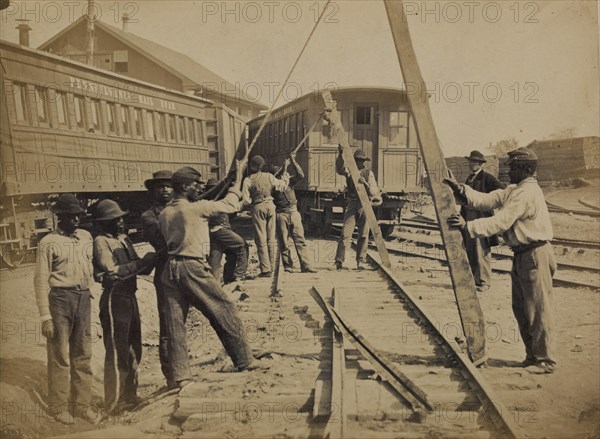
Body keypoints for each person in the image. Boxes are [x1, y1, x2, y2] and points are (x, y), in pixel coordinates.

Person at [445, 147, 557, 374]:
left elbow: (501, 221)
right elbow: (487, 200)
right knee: (522, 308)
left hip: (535, 254)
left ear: (526, 169)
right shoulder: (515, 189)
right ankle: (532, 356)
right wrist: (461, 189)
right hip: (523, 254)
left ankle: (545, 360)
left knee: (537, 308)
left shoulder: (527, 194)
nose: (508, 172)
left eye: (513, 168)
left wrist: (469, 226)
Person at [158, 165, 266, 390]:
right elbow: (231, 205)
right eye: (195, 184)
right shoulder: (196, 209)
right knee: (224, 308)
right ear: (185, 187)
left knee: (174, 325)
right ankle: (244, 359)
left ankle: (180, 377)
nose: (199, 187)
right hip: (192, 266)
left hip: (170, 269)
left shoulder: (164, 213)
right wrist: (236, 185)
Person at [33, 194, 96, 424]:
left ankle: (82, 406)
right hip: (60, 300)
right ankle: (58, 407)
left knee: (83, 354)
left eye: (78, 215)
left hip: (83, 299)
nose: (76, 220)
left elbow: (90, 274)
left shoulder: (86, 237)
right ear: (60, 218)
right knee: (59, 355)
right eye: (71, 216)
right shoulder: (48, 243)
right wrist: (45, 317)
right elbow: (40, 281)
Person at [93, 199, 156, 412]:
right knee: (117, 350)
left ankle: (130, 395)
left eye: (121, 218)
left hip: (130, 297)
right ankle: (114, 402)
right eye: (115, 219)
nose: (121, 222)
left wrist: (153, 259)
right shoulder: (101, 242)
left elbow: (141, 269)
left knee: (134, 349)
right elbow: (111, 271)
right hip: (115, 299)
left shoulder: (125, 239)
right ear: (104, 223)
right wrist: (142, 262)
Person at [140, 170, 175, 389]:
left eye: (168, 185)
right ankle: (171, 374)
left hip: (187, 268)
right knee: (167, 320)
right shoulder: (149, 217)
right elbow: (163, 241)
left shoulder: (182, 208)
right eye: (159, 186)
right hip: (165, 270)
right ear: (153, 191)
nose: (164, 190)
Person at [461, 150, 505, 292]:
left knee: (482, 250)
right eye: (471, 161)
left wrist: (489, 203)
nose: (472, 164)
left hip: (482, 218)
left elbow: (502, 192)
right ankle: (474, 279)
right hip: (468, 217)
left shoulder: (487, 178)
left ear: (480, 164)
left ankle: (484, 281)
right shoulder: (469, 179)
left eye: (475, 162)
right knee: (471, 250)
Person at [241, 155, 289, 277]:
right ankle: (272, 266)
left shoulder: (248, 180)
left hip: (258, 207)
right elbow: (282, 185)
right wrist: (285, 172)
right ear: (262, 166)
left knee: (260, 239)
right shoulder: (269, 176)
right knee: (271, 238)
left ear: (252, 166)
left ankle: (266, 269)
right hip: (271, 206)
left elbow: (246, 200)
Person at [335, 146, 381, 270]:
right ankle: (339, 260)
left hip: (365, 204)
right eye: (357, 160)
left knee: (363, 235)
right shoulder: (350, 171)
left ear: (364, 162)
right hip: (352, 203)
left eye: (361, 160)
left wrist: (364, 183)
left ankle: (360, 260)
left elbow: (374, 192)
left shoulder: (369, 174)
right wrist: (340, 154)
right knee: (345, 233)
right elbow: (339, 169)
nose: (359, 162)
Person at [270, 153, 317, 273]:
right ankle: (288, 266)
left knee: (300, 240)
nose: (282, 176)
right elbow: (280, 184)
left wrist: (293, 161)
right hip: (281, 214)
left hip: (294, 212)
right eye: (279, 174)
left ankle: (305, 265)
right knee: (284, 242)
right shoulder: (273, 185)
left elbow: (301, 175)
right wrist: (285, 167)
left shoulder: (289, 181)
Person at [204, 178, 250, 284]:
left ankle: (225, 280)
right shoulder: (216, 203)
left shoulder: (207, 201)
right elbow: (233, 208)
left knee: (219, 262)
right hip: (220, 231)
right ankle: (239, 275)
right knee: (242, 245)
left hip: (213, 235)